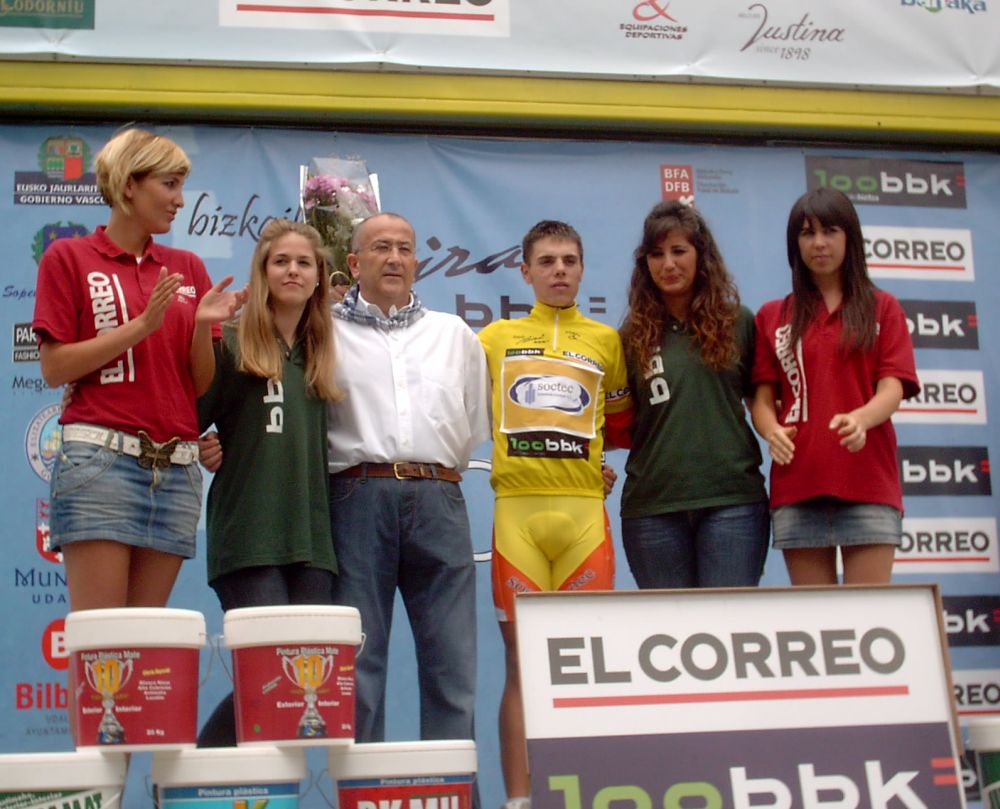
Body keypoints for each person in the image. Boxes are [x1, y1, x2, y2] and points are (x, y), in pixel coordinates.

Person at [32, 128, 245, 612]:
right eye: (169, 185)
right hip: (100, 462)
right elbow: (54, 368)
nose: (179, 200)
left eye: (181, 186)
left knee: (145, 641)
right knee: (103, 639)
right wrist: (141, 326)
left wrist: (202, 326)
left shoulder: (188, 266)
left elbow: (199, 384)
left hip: (176, 470)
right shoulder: (69, 256)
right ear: (129, 184)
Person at [477, 220, 633, 809]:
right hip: (517, 517)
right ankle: (520, 800)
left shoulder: (606, 341)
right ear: (526, 271)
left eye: (569, 260)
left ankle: (581, 794)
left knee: (583, 666)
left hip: (584, 518)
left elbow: (619, 425)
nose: (559, 270)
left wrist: (596, 464)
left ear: (583, 268)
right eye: (546, 261)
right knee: (521, 666)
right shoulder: (493, 338)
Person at [327, 212, 491, 746]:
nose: (394, 258)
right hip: (357, 497)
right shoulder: (324, 332)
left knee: (453, 666)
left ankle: (453, 788)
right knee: (358, 665)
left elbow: (473, 424)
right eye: (380, 247)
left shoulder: (453, 334)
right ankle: (362, 787)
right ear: (354, 263)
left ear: (417, 263)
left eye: (404, 248)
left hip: (439, 495)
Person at [196, 218, 343, 746]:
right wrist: (203, 444)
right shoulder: (232, 342)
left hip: (313, 545)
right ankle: (192, 778)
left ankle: (254, 786)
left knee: (297, 694)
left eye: (304, 262)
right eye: (281, 261)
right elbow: (188, 420)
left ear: (319, 276)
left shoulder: (324, 351)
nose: (293, 271)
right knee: (268, 679)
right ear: (262, 272)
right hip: (250, 539)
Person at [750, 187, 919, 585]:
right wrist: (771, 431)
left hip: (868, 483)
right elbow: (761, 399)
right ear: (795, 243)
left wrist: (862, 419)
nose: (819, 243)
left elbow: (893, 387)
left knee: (870, 614)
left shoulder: (883, 307)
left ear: (850, 237)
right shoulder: (773, 315)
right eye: (807, 233)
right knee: (816, 619)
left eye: (830, 231)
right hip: (798, 486)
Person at [618, 201, 769, 589]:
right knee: (667, 625)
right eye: (656, 254)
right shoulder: (630, 336)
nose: (668, 264)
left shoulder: (739, 322)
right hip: (653, 507)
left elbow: (763, 403)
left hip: (732, 501)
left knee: (728, 623)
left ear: (701, 255)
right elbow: (614, 420)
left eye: (679, 251)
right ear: (645, 263)